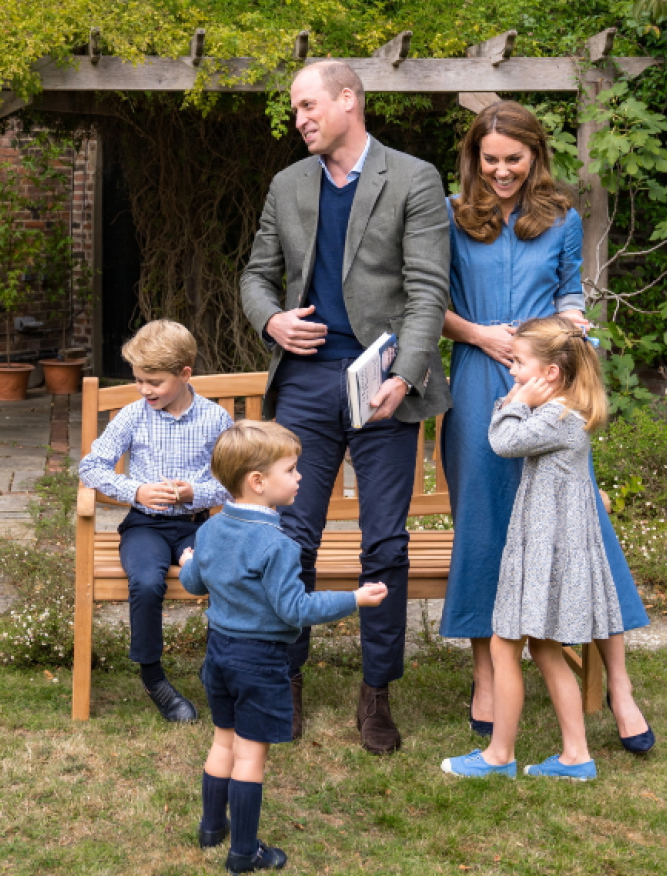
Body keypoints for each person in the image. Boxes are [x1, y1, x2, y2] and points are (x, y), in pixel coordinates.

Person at [240, 60, 451, 754]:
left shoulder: (413, 178)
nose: (298, 119)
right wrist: (271, 321)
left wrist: (407, 374)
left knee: (383, 543)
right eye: (295, 109)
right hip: (303, 384)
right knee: (290, 541)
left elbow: (426, 292)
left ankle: (376, 693)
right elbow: (253, 275)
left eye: (307, 106)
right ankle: (287, 680)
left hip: (381, 385)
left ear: (347, 101)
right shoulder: (287, 184)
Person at [438, 100, 654, 753]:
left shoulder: (559, 218)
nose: (502, 172)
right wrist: (480, 335)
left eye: (514, 159)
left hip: (549, 384)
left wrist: (570, 322)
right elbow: (429, 302)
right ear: (474, 157)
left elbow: (569, 291)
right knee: (483, 520)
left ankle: (617, 686)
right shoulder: (450, 215)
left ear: (534, 155)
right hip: (479, 381)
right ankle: (485, 672)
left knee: (580, 521)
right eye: (491, 159)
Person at [179, 420, 388, 872]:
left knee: (222, 742)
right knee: (250, 755)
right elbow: (294, 609)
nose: (299, 478)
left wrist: (187, 562)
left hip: (218, 654)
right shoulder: (278, 545)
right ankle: (244, 853)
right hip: (259, 661)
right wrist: (354, 598)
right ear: (258, 482)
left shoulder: (211, 530)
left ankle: (211, 830)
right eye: (291, 470)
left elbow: (195, 582)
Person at [442, 316, 623, 780]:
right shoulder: (564, 412)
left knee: (505, 646)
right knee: (543, 648)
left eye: (520, 364)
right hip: (545, 546)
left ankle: (498, 756)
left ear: (551, 374)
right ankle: (576, 756)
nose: (513, 372)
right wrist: (521, 395)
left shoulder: (556, 416)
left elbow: (502, 441)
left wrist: (516, 399)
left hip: (545, 551)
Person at [78, 319, 233, 722]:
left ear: (185, 374)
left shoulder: (215, 420)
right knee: (146, 582)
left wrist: (193, 493)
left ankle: (215, 669)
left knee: (220, 575)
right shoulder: (133, 416)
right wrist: (136, 491)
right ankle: (154, 678)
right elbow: (91, 467)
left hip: (198, 526)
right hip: (145, 526)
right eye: (139, 381)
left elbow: (234, 481)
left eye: (154, 382)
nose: (145, 390)